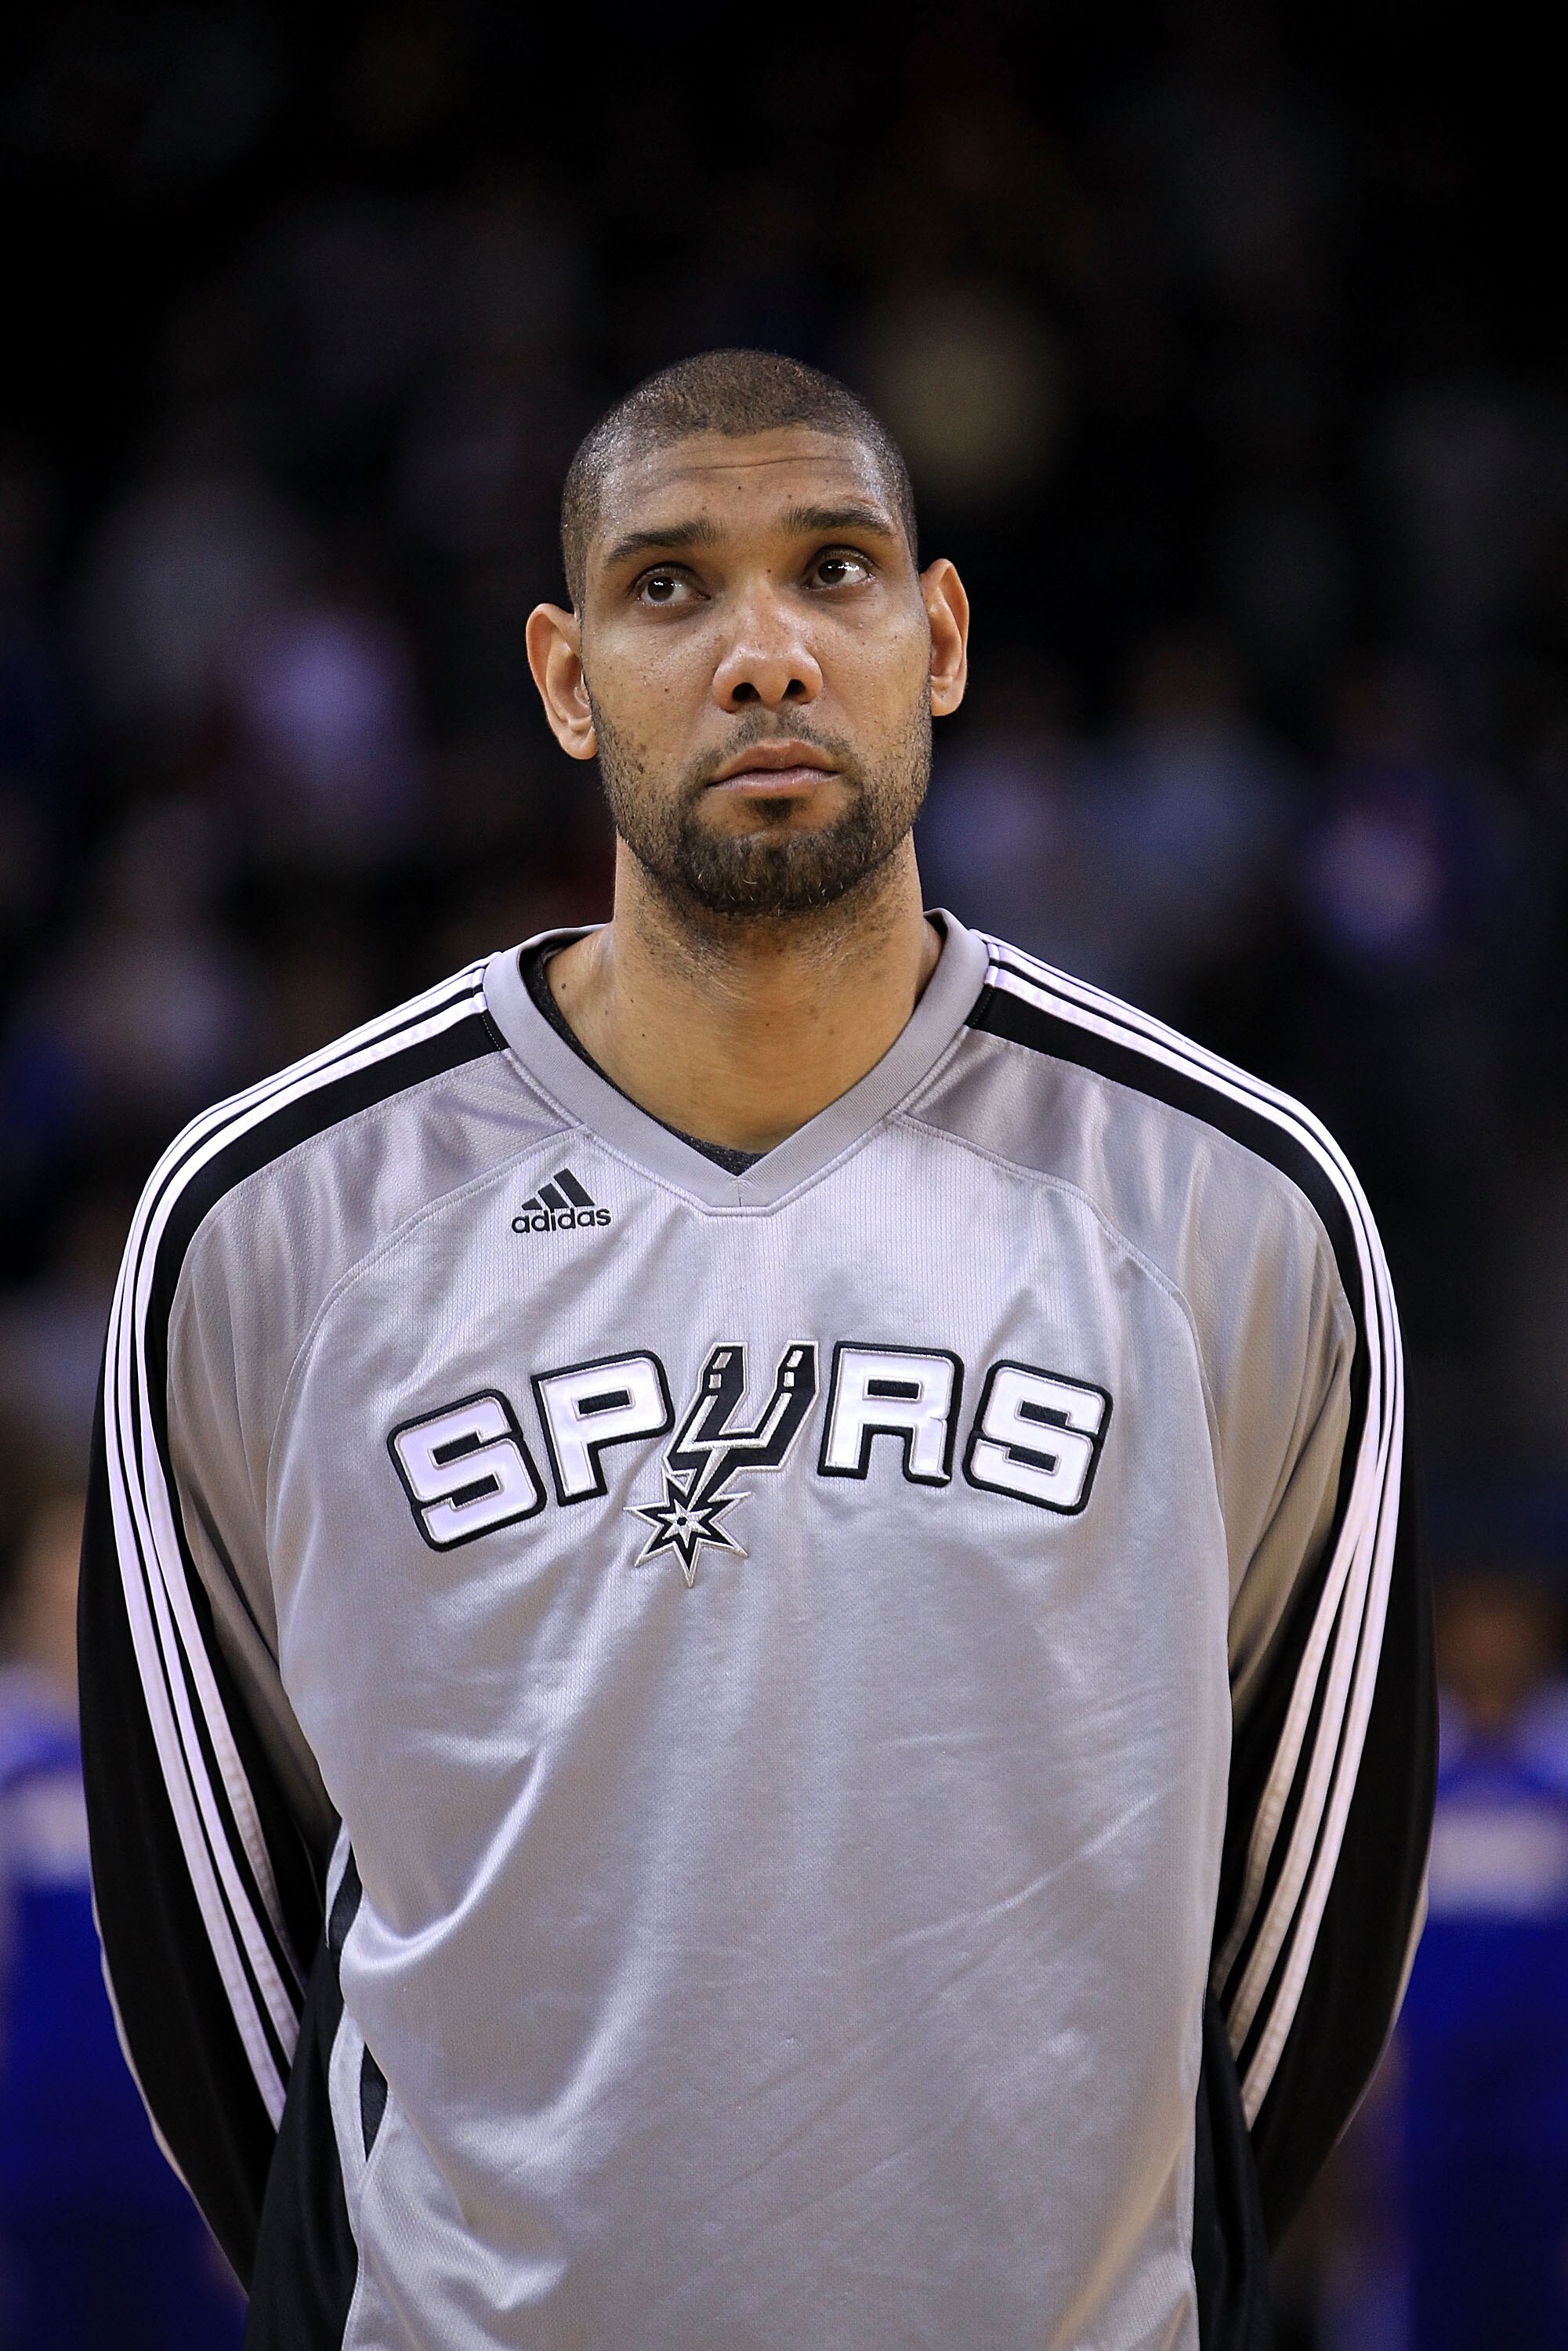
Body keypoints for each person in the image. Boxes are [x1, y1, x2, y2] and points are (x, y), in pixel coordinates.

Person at [77, 350, 1432, 2351]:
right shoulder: (273, 1220)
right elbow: (217, 1971)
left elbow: (1291, 1962)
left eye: (833, 569)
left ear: (939, 635)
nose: (765, 652)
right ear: (559, 677)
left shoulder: (1234, 1209)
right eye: (667, 588)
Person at [0, 1483, 244, 2349]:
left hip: (171, 2158)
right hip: (33, 2157)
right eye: (58, 1556)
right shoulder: (14, 1755)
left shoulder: (184, 1743)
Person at [1398, 1565, 1568, 2349]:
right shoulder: (1409, 1765)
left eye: (1508, 1619)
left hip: (1547, 2091)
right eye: (1474, 1620)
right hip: (1432, 2091)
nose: (1490, 1640)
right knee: (1434, 2290)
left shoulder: (1557, 1766)